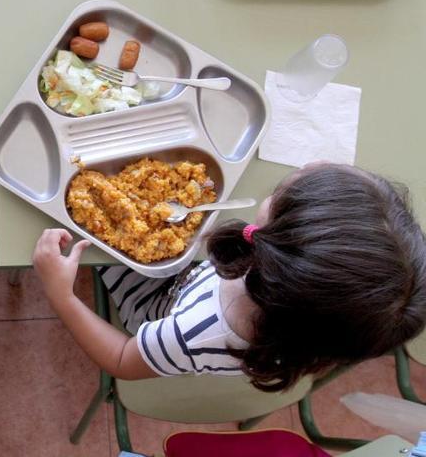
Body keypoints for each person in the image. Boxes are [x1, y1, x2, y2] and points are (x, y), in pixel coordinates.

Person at [33, 163, 426, 391]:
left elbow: (122, 359)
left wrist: (62, 295)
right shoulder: (318, 316)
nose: (302, 170)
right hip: (197, 277)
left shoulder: (196, 332)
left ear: (268, 255)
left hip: (155, 299)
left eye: (284, 197)